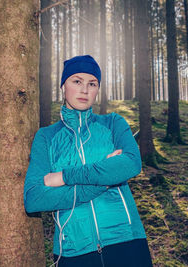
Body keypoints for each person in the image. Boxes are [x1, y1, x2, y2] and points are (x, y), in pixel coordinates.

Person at [24, 55, 153, 267]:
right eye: (77, 81)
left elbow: (131, 163)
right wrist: (106, 179)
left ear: (97, 89)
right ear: (63, 86)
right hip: (73, 250)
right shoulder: (46, 137)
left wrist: (65, 176)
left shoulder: (113, 123)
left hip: (127, 241)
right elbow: (34, 199)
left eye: (92, 83)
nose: (85, 90)